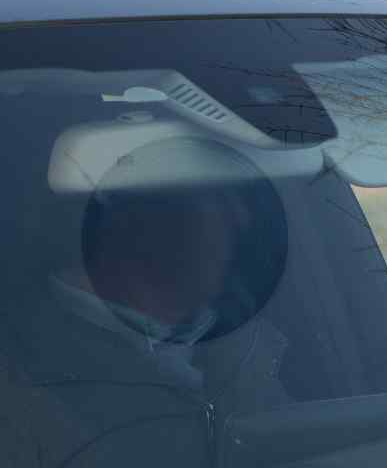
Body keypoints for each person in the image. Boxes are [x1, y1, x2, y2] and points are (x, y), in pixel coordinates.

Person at [0, 138, 292, 466]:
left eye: (240, 200)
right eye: (218, 197)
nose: (241, 219)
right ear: (131, 213)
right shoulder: (20, 378)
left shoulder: (250, 348)